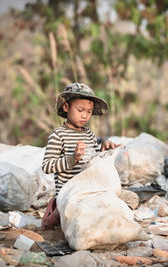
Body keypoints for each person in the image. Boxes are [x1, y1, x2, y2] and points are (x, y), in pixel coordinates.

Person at [41, 82, 119, 230]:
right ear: (66, 107)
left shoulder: (89, 134)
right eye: (80, 110)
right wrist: (72, 158)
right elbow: (47, 166)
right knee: (73, 212)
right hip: (68, 193)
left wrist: (105, 148)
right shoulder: (58, 135)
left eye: (89, 111)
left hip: (87, 189)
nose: (85, 115)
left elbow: (92, 161)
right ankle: (54, 212)